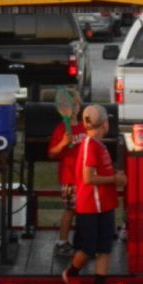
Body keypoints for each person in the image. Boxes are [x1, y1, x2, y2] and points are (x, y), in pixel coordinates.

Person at [62, 104, 127, 284]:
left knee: (105, 250)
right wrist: (114, 180)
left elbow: (100, 171)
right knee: (88, 250)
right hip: (91, 206)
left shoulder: (98, 145)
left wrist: (115, 175)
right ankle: (71, 274)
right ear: (105, 123)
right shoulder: (90, 145)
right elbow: (88, 177)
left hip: (104, 205)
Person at [48, 90, 86, 257]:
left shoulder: (85, 126)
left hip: (86, 176)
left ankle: (83, 241)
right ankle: (62, 242)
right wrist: (63, 143)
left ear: (79, 107)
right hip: (69, 177)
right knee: (70, 210)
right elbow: (52, 153)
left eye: (75, 104)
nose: (72, 108)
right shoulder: (61, 129)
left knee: (85, 211)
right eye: (68, 105)